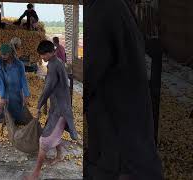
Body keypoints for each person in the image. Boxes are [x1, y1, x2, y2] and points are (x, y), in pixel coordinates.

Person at [85, 0, 163, 180]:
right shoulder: (117, 6)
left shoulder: (102, 9)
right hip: (133, 149)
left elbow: (88, 75)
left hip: (119, 157)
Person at [24, 40, 78, 180]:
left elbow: (47, 88)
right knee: (54, 131)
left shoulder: (54, 66)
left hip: (60, 109)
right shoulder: (57, 61)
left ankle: (35, 174)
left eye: (43, 55)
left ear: (49, 53)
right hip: (59, 105)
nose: (42, 58)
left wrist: (39, 104)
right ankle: (60, 155)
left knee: (45, 140)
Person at [0, 44, 30, 125]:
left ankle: (15, 119)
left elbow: (23, 79)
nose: (3, 56)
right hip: (7, 89)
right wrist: (2, 95)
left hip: (17, 90)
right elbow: (1, 80)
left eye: (5, 54)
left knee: (18, 110)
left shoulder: (19, 64)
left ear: (10, 53)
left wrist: (26, 94)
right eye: (2, 54)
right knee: (3, 103)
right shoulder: (0, 64)